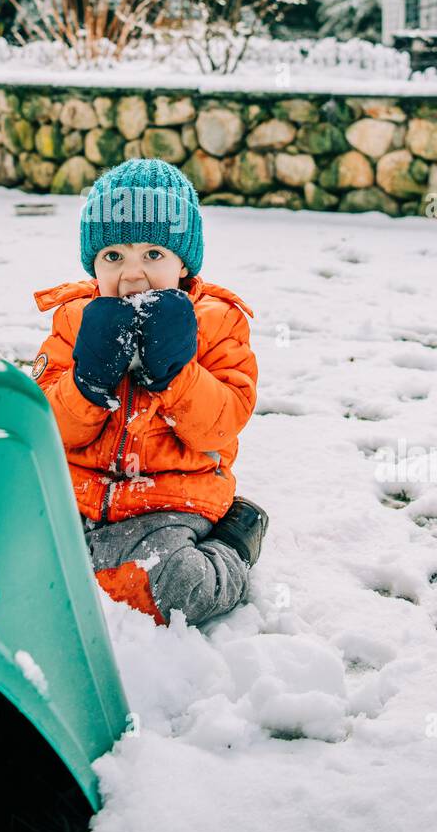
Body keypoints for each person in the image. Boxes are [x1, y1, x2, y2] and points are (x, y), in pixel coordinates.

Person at [31, 157, 268, 627]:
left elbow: (221, 425)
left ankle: (235, 544)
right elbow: (45, 427)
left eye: (153, 255)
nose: (133, 276)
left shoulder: (218, 322)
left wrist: (177, 375)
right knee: (25, 565)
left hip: (166, 502)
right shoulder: (74, 321)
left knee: (175, 587)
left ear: (184, 262)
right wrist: (85, 385)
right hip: (74, 496)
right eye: (113, 256)